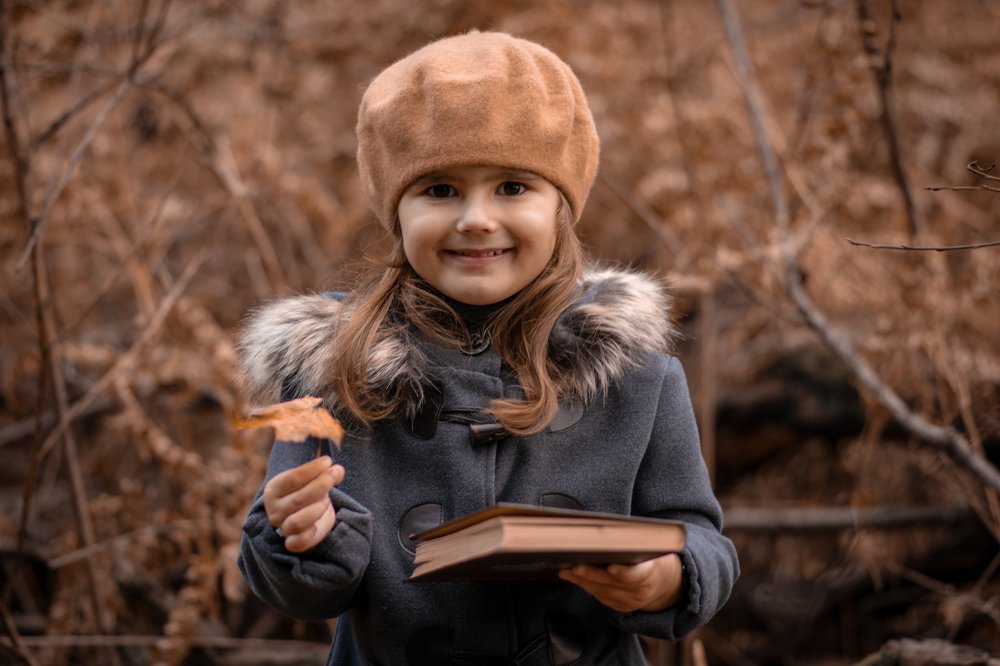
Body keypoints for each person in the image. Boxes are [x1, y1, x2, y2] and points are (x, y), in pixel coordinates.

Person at [237, 30, 738, 665]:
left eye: (511, 187)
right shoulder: (328, 372)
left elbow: (705, 542)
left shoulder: (638, 376)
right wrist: (296, 539)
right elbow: (299, 591)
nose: (476, 218)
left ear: (561, 206)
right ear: (398, 212)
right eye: (440, 189)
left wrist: (665, 578)